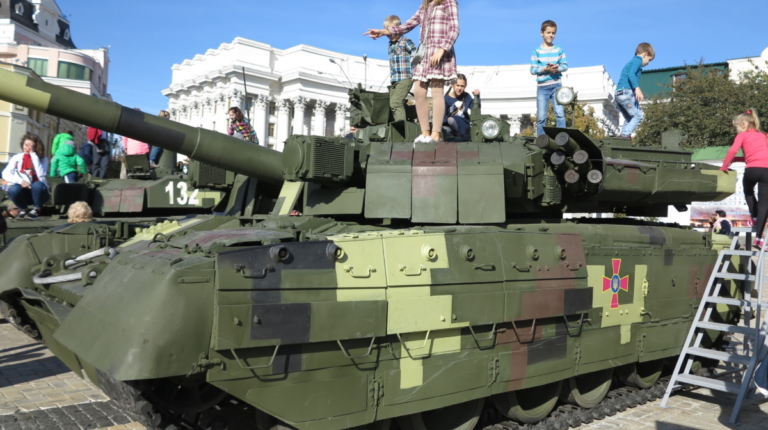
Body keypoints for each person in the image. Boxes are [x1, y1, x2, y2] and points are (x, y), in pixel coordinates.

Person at [365, 0, 460, 143]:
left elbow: (454, 29)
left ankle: (436, 134)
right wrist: (382, 32)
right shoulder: (424, 6)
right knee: (419, 92)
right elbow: (408, 25)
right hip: (424, 53)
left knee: (436, 92)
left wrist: (442, 49)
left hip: (439, 52)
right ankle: (425, 133)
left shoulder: (448, 2)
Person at [721, 109, 768, 248]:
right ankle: (759, 239)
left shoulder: (742, 135)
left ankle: (754, 218)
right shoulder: (764, 135)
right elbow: (758, 156)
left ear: (743, 124)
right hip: (767, 170)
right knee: (764, 204)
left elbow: (732, 150)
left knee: (748, 191)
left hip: (752, 170)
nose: (736, 130)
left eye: (736, 127)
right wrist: (738, 159)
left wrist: (724, 166)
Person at [530, 20, 569, 137]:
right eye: (548, 32)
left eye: (553, 33)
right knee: (541, 116)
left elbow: (565, 66)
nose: (551, 35)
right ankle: (542, 140)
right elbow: (533, 70)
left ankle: (562, 138)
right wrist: (545, 69)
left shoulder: (559, 49)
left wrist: (557, 68)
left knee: (560, 114)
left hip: (556, 85)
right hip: (542, 87)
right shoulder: (536, 51)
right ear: (542, 33)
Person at [1, 133, 50, 219]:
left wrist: (33, 156)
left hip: (39, 193)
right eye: (26, 145)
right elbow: (5, 174)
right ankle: (23, 209)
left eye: (31, 146)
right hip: (23, 193)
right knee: (13, 189)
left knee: (38, 185)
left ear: (36, 147)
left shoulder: (43, 159)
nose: (27, 147)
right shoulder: (17, 158)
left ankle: (37, 209)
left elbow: (41, 174)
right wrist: (21, 181)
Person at [616, 43, 655, 139]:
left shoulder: (631, 62)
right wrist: (637, 88)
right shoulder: (638, 60)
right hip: (626, 92)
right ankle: (625, 135)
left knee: (630, 118)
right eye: (649, 60)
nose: (648, 63)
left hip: (619, 94)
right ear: (645, 54)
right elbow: (631, 74)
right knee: (638, 115)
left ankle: (623, 137)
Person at [381, 15, 416, 123]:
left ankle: (402, 129)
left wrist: (415, 72)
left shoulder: (405, 41)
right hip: (395, 80)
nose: (390, 35)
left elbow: (416, 55)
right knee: (392, 105)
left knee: (396, 103)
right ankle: (415, 113)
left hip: (405, 77)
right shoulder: (390, 45)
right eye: (388, 32)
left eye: (392, 31)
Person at [443, 73, 480, 139]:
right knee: (446, 127)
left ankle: (460, 135)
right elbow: (443, 116)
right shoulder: (446, 98)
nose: (459, 88)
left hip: (464, 124)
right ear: (452, 85)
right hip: (451, 125)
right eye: (457, 85)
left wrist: (476, 97)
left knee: (451, 120)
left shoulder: (466, 96)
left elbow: (475, 108)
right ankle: (455, 134)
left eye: (462, 86)